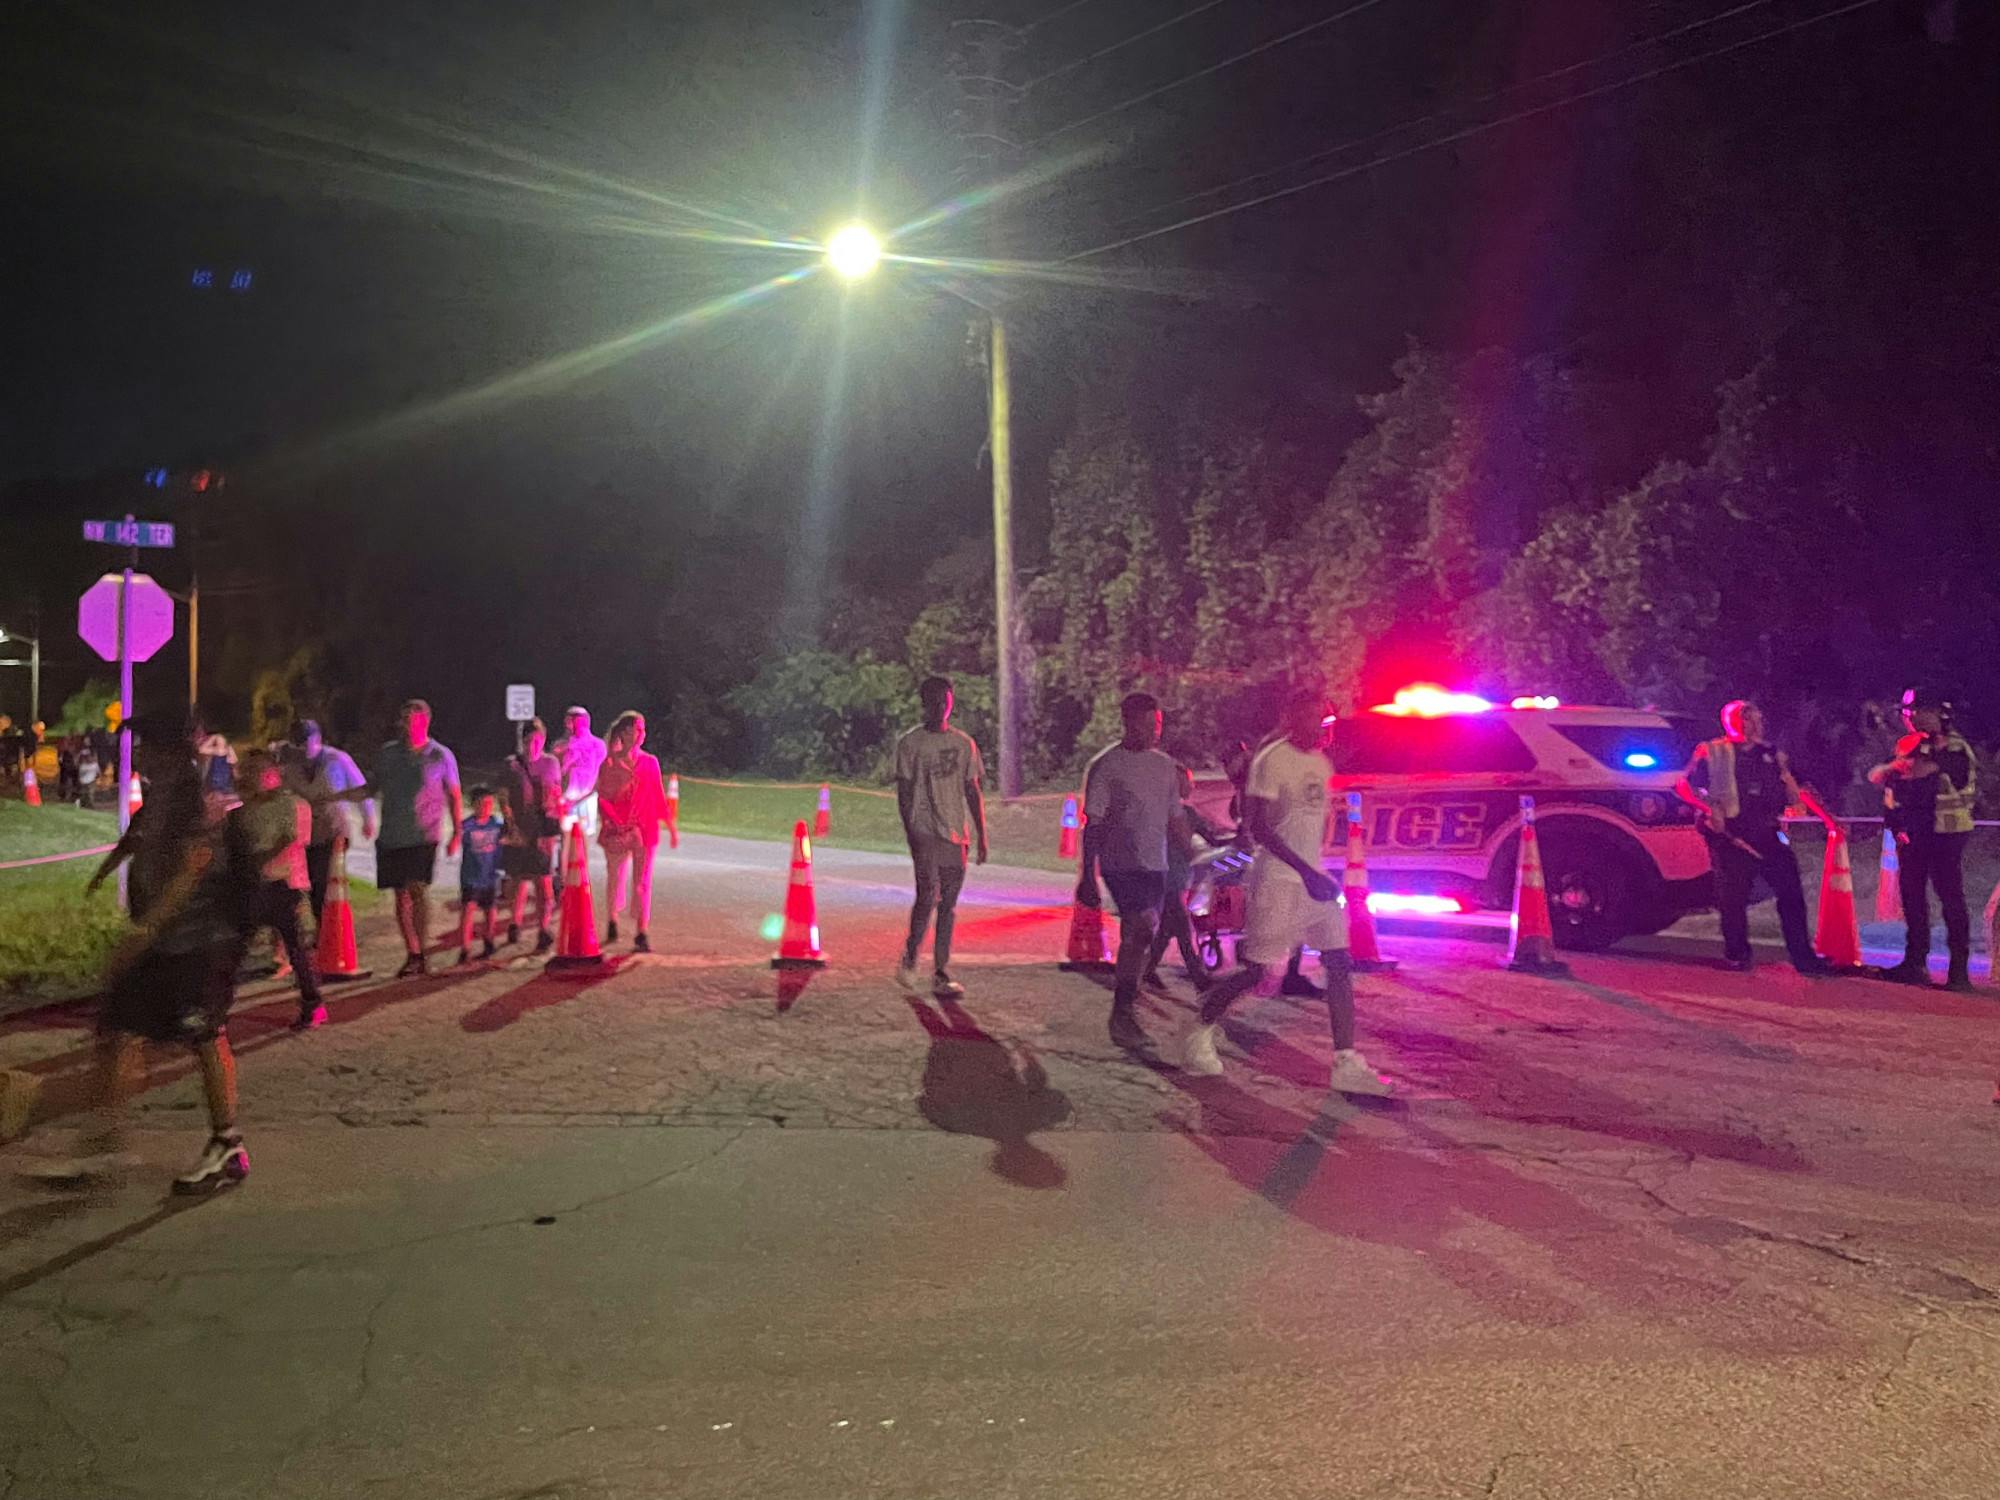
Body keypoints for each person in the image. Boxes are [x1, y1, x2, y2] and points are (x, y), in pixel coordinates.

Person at [22, 711, 253, 1191]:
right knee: (117, 1033)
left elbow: (192, 870)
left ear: (169, 750)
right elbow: (138, 841)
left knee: (205, 1034)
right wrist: (109, 876)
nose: (138, 752)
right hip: (161, 941)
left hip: (197, 941)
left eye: (144, 744)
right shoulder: (163, 793)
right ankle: (102, 1147)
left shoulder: (194, 796)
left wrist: (143, 932)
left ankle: (227, 1144)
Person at [1182, 692, 1391, 1095]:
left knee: (1339, 961)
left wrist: (1316, 872)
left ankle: (1345, 1061)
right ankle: (1199, 1027)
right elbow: (1259, 827)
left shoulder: (1320, 762)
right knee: (1258, 971)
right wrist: (1304, 871)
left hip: (1312, 881)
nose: (1320, 728)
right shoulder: (1271, 760)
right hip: (1276, 879)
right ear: (1291, 720)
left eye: (1323, 721)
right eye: (1312, 720)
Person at [1674, 699, 1839, 976]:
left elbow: (1800, 786)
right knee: (1733, 898)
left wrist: (1828, 819)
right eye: (1747, 719)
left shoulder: (1773, 755)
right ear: (1732, 722)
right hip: (1732, 836)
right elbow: (1684, 785)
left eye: (1757, 719)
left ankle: (1804, 957)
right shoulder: (1712, 752)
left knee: (1791, 893)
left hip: (1768, 832)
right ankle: (1737, 954)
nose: (1755, 725)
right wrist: (1708, 811)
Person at [1078, 693, 1182, 1049]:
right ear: (1127, 722)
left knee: (1140, 937)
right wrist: (1087, 876)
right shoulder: (1107, 766)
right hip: (1120, 862)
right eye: (1145, 724)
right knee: (1141, 927)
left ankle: (1125, 1009)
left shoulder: (1165, 766)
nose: (1153, 731)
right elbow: (1093, 824)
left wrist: (1203, 848)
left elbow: (1174, 817)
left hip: (1156, 864)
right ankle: (1123, 1013)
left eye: (1157, 724)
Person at [1870, 687, 1980, 991]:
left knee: (1950, 899)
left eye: (1916, 711)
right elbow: (1885, 781)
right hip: (1914, 833)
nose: (1910, 717)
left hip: (1947, 834)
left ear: (1937, 713)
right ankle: (1914, 962)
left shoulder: (1956, 747)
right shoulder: (1909, 745)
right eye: (1908, 712)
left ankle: (1959, 972)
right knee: (1913, 899)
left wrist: (1896, 769)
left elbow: (1919, 772)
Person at [893, 676, 989, 999]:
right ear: (924, 703)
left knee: (948, 904)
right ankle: (909, 957)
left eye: (944, 700)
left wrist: (981, 835)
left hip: (954, 834)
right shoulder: (911, 744)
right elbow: (904, 792)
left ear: (951, 702)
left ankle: (941, 971)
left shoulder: (964, 744)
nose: (939, 706)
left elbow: (971, 790)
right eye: (933, 700)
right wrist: (911, 832)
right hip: (925, 830)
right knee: (927, 895)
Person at [351, 699, 462, 978]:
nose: (407, 725)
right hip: (391, 835)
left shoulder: (440, 755)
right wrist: (334, 796)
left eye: (413, 720)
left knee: (418, 889)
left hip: (423, 834)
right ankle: (411, 952)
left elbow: (454, 795)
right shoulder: (388, 753)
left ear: (425, 721)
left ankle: (422, 952)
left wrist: (458, 832)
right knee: (400, 896)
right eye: (404, 719)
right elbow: (371, 787)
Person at [228, 749, 327, 1028]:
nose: (246, 778)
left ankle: (313, 1002)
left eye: (254, 772)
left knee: (296, 948)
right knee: (234, 944)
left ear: (272, 774)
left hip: (286, 886)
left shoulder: (293, 805)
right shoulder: (244, 812)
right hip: (253, 885)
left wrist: (260, 862)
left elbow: (292, 842)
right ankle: (215, 1003)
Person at [1145, 763, 1228, 992]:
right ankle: (1198, 976)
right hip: (1170, 878)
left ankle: (1147, 970)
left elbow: (1210, 837)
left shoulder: (1168, 813)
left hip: (1175, 877)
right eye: (1186, 781)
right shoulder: (1180, 814)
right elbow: (1211, 838)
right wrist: (1233, 841)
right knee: (1182, 929)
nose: (1191, 785)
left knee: (1166, 930)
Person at [288, 719, 376, 928]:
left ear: (317, 738)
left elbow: (360, 788)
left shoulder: (337, 759)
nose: (301, 748)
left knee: (324, 880)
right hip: (303, 832)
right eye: (297, 743)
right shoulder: (291, 764)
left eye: (305, 741)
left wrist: (368, 818)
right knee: (307, 882)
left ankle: (328, 929)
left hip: (334, 828)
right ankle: (318, 926)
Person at [596, 710, 671, 952]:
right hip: (617, 828)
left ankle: (641, 931)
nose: (640, 734)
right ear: (625, 732)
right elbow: (603, 798)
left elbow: (658, 796)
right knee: (615, 876)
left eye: (642, 729)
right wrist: (612, 821)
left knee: (642, 882)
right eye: (636, 729)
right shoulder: (609, 763)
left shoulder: (650, 762)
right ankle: (612, 919)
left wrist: (669, 825)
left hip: (645, 829)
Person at [503, 717, 565, 952]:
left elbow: (556, 791)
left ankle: (543, 928)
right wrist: (511, 825)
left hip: (544, 829)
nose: (533, 745)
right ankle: (514, 922)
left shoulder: (550, 764)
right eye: (529, 740)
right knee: (518, 879)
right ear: (522, 741)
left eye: (537, 740)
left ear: (544, 740)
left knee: (544, 880)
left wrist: (556, 808)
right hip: (520, 827)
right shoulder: (512, 765)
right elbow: (504, 797)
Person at [457, 785, 507, 963]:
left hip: (490, 876)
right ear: (474, 805)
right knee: (468, 910)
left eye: (489, 803)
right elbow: (457, 840)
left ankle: (489, 940)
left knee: (490, 909)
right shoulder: (466, 826)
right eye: (482, 804)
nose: (486, 807)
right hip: (471, 876)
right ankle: (465, 948)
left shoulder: (496, 824)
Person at [557, 705, 608, 843]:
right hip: (565, 799)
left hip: (587, 797)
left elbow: (603, 773)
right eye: (568, 720)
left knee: (582, 840)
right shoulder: (562, 746)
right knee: (565, 838)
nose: (569, 724)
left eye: (573, 720)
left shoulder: (598, 745)